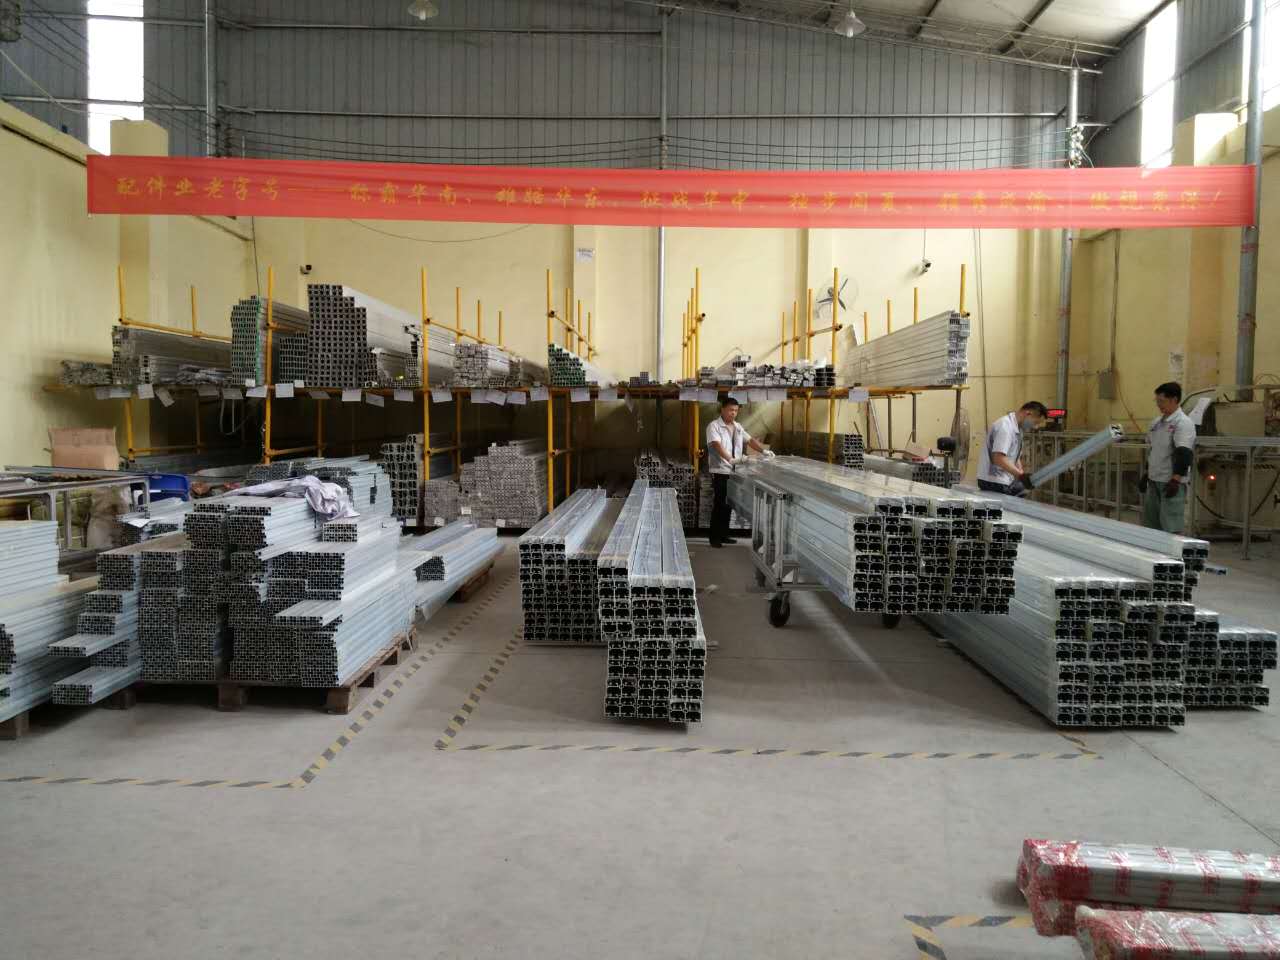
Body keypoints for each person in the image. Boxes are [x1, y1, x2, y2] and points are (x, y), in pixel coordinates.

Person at [706, 398, 771, 548]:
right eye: (730, 410)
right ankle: (714, 537)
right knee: (720, 504)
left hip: (735, 471)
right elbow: (716, 445)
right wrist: (731, 459)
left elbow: (750, 440)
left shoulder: (737, 426)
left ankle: (724, 535)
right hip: (721, 470)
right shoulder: (714, 426)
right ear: (722, 409)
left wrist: (764, 451)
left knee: (729, 503)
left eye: (735, 411)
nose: (733, 413)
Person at [1140, 381, 1195, 534]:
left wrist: (1175, 480)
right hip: (1154, 480)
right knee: (1151, 526)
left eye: (1162, 401)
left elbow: (1184, 453)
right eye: (1157, 401)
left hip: (1170, 483)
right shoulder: (1156, 423)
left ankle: (1172, 550)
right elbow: (1153, 450)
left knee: (1170, 526)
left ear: (1174, 400)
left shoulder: (1183, 423)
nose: (1159, 405)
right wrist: (1147, 473)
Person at [976, 401, 1048, 496]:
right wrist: (1020, 476)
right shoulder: (1005, 426)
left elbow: (1014, 457)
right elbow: (998, 458)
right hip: (993, 481)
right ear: (1028, 414)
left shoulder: (1018, 429)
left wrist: (1022, 475)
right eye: (1036, 423)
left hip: (1003, 480)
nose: (1035, 427)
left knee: (1022, 491)